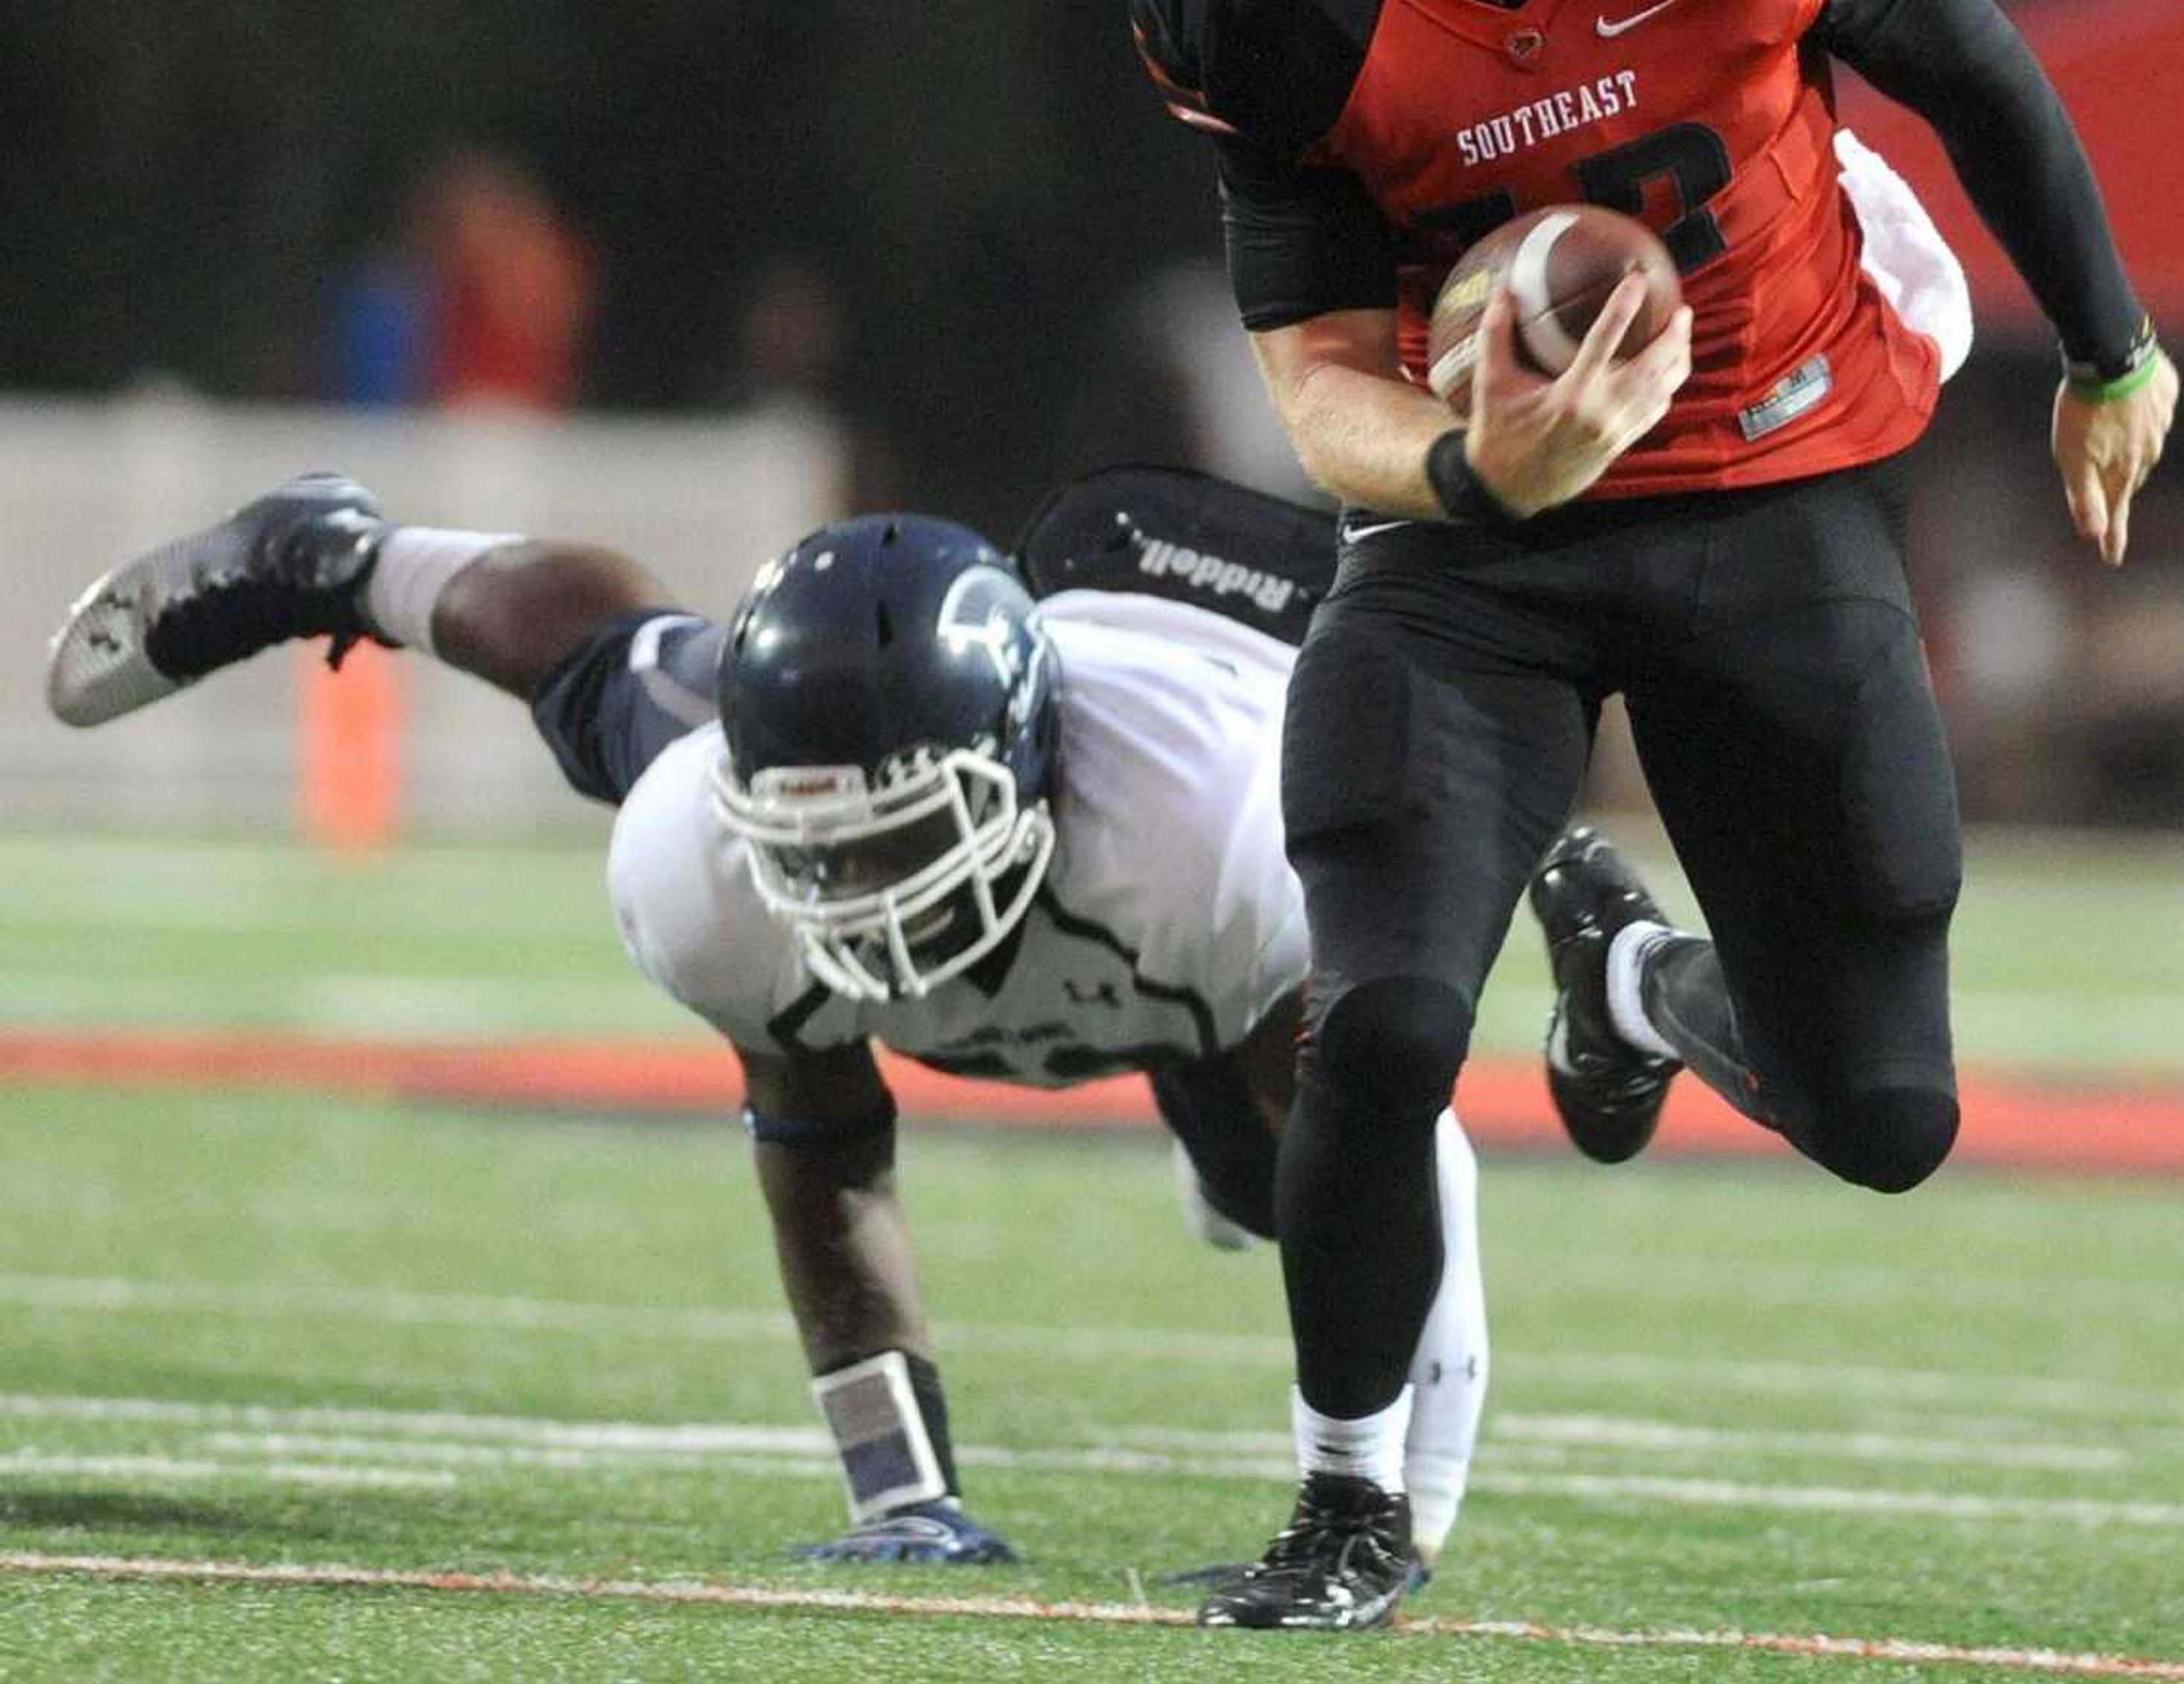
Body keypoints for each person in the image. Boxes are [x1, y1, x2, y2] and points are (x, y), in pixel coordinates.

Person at [1121, 0, 2178, 1627]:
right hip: (1474, 541)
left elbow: (1975, 68)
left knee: (1890, 1109)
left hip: (1768, 474)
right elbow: (1314, 373)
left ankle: (1642, 975)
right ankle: (1344, 1503)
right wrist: (1463, 471)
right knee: (1384, 1012)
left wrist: (2109, 341)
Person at [44, 467, 1504, 1578]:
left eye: (891, 844)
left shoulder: (1220, 834)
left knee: (1290, 1171)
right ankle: (337, 558)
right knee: (621, 677)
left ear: (1021, 772)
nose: (848, 895)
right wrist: (903, 1497)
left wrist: (1398, 1514)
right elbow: (824, 1151)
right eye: (817, 847)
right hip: (1049, 869)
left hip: (1215, 702)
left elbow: (1395, 1144)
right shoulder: (718, 858)